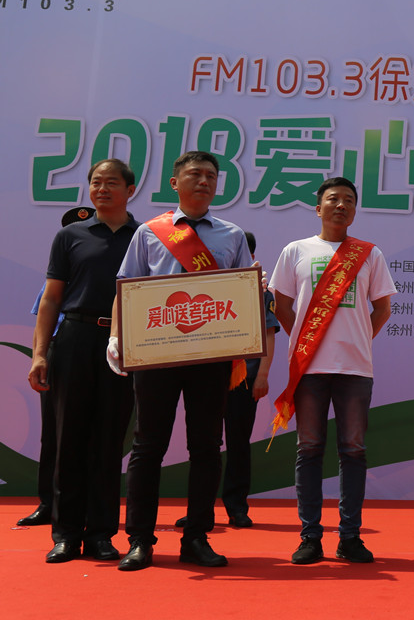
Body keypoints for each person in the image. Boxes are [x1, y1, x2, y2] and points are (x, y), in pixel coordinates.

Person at [109, 151, 254, 571]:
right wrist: (117, 336)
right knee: (148, 445)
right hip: (157, 354)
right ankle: (140, 539)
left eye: (211, 175)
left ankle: (196, 536)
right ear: (175, 182)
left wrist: (253, 290)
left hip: (210, 356)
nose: (204, 181)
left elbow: (243, 295)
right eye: (195, 174)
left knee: (206, 446)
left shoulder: (232, 236)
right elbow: (126, 288)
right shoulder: (150, 232)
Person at [270, 177, 395, 564]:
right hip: (309, 368)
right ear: (318, 207)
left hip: (355, 369)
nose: (341, 205)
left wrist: (357, 339)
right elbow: (281, 305)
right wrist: (305, 340)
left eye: (349, 201)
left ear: (355, 210)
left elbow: (383, 308)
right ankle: (310, 537)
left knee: (353, 451)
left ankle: (350, 537)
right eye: (333, 199)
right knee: (308, 449)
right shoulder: (296, 251)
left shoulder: (369, 254)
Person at [28, 164, 137, 562]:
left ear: (130, 190)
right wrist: (40, 352)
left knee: (109, 441)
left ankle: (102, 533)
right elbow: (51, 298)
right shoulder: (70, 235)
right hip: (74, 337)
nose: (102, 189)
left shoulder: (145, 237)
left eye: (111, 183)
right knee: (68, 438)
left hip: (123, 344)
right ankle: (66, 533)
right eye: (96, 182)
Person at [176, 232, 280, 530]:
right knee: (204, 444)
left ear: (249, 256)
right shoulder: (203, 289)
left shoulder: (261, 292)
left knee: (238, 443)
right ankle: (200, 510)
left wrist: (262, 375)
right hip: (205, 376)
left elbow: (268, 335)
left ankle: (236, 508)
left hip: (244, 378)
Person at [19, 207, 97, 529]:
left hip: (95, 350)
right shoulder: (56, 277)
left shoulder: (104, 271)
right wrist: (39, 357)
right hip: (58, 352)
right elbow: (43, 317)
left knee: (94, 433)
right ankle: (48, 503)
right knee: (53, 433)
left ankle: (90, 507)